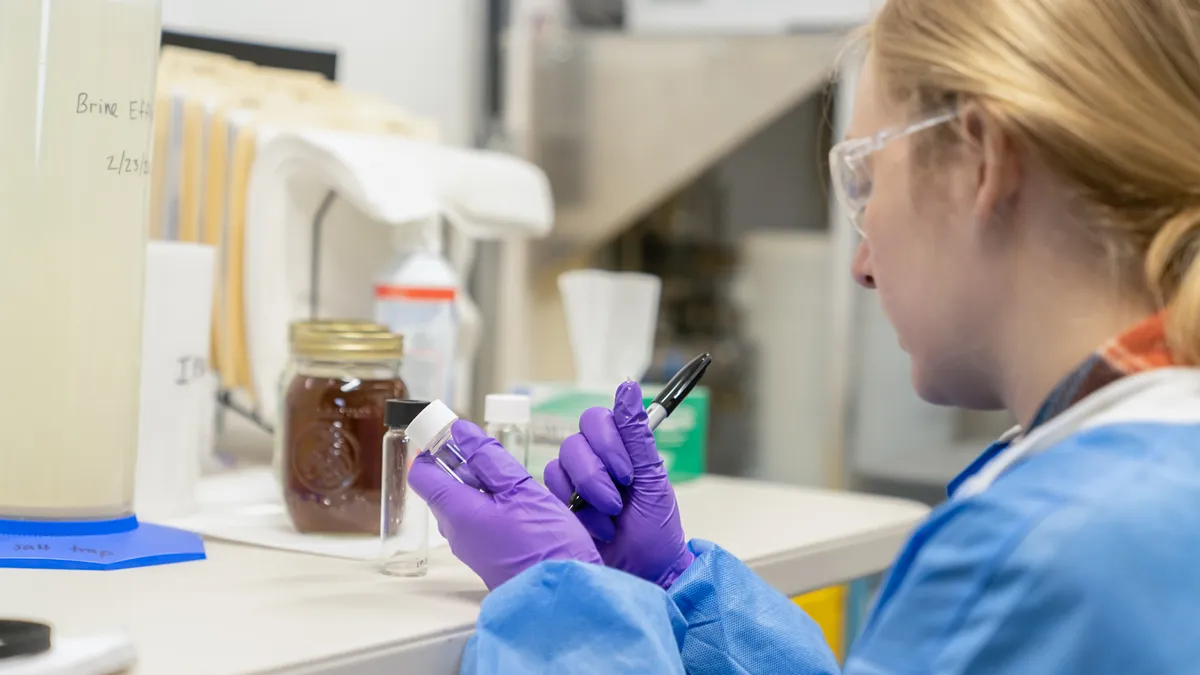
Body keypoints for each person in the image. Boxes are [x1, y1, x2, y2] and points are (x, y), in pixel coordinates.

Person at [409, 0, 1200, 671]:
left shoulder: (1044, 549)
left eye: (864, 183)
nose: (860, 264)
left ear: (982, 163)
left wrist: (566, 604)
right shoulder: (1141, 470)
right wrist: (677, 589)